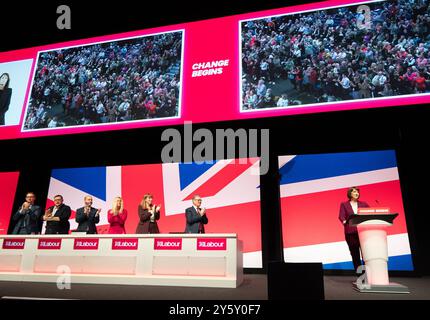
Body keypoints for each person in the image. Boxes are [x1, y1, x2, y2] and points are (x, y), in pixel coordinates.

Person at [338, 187, 370, 273]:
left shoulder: (364, 204)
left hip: (363, 232)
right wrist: (344, 221)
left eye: (358, 192)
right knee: (355, 255)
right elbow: (341, 216)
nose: (357, 193)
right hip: (351, 233)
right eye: (354, 192)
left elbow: (370, 214)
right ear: (350, 194)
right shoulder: (344, 204)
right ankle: (360, 276)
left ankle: (369, 274)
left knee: (366, 254)